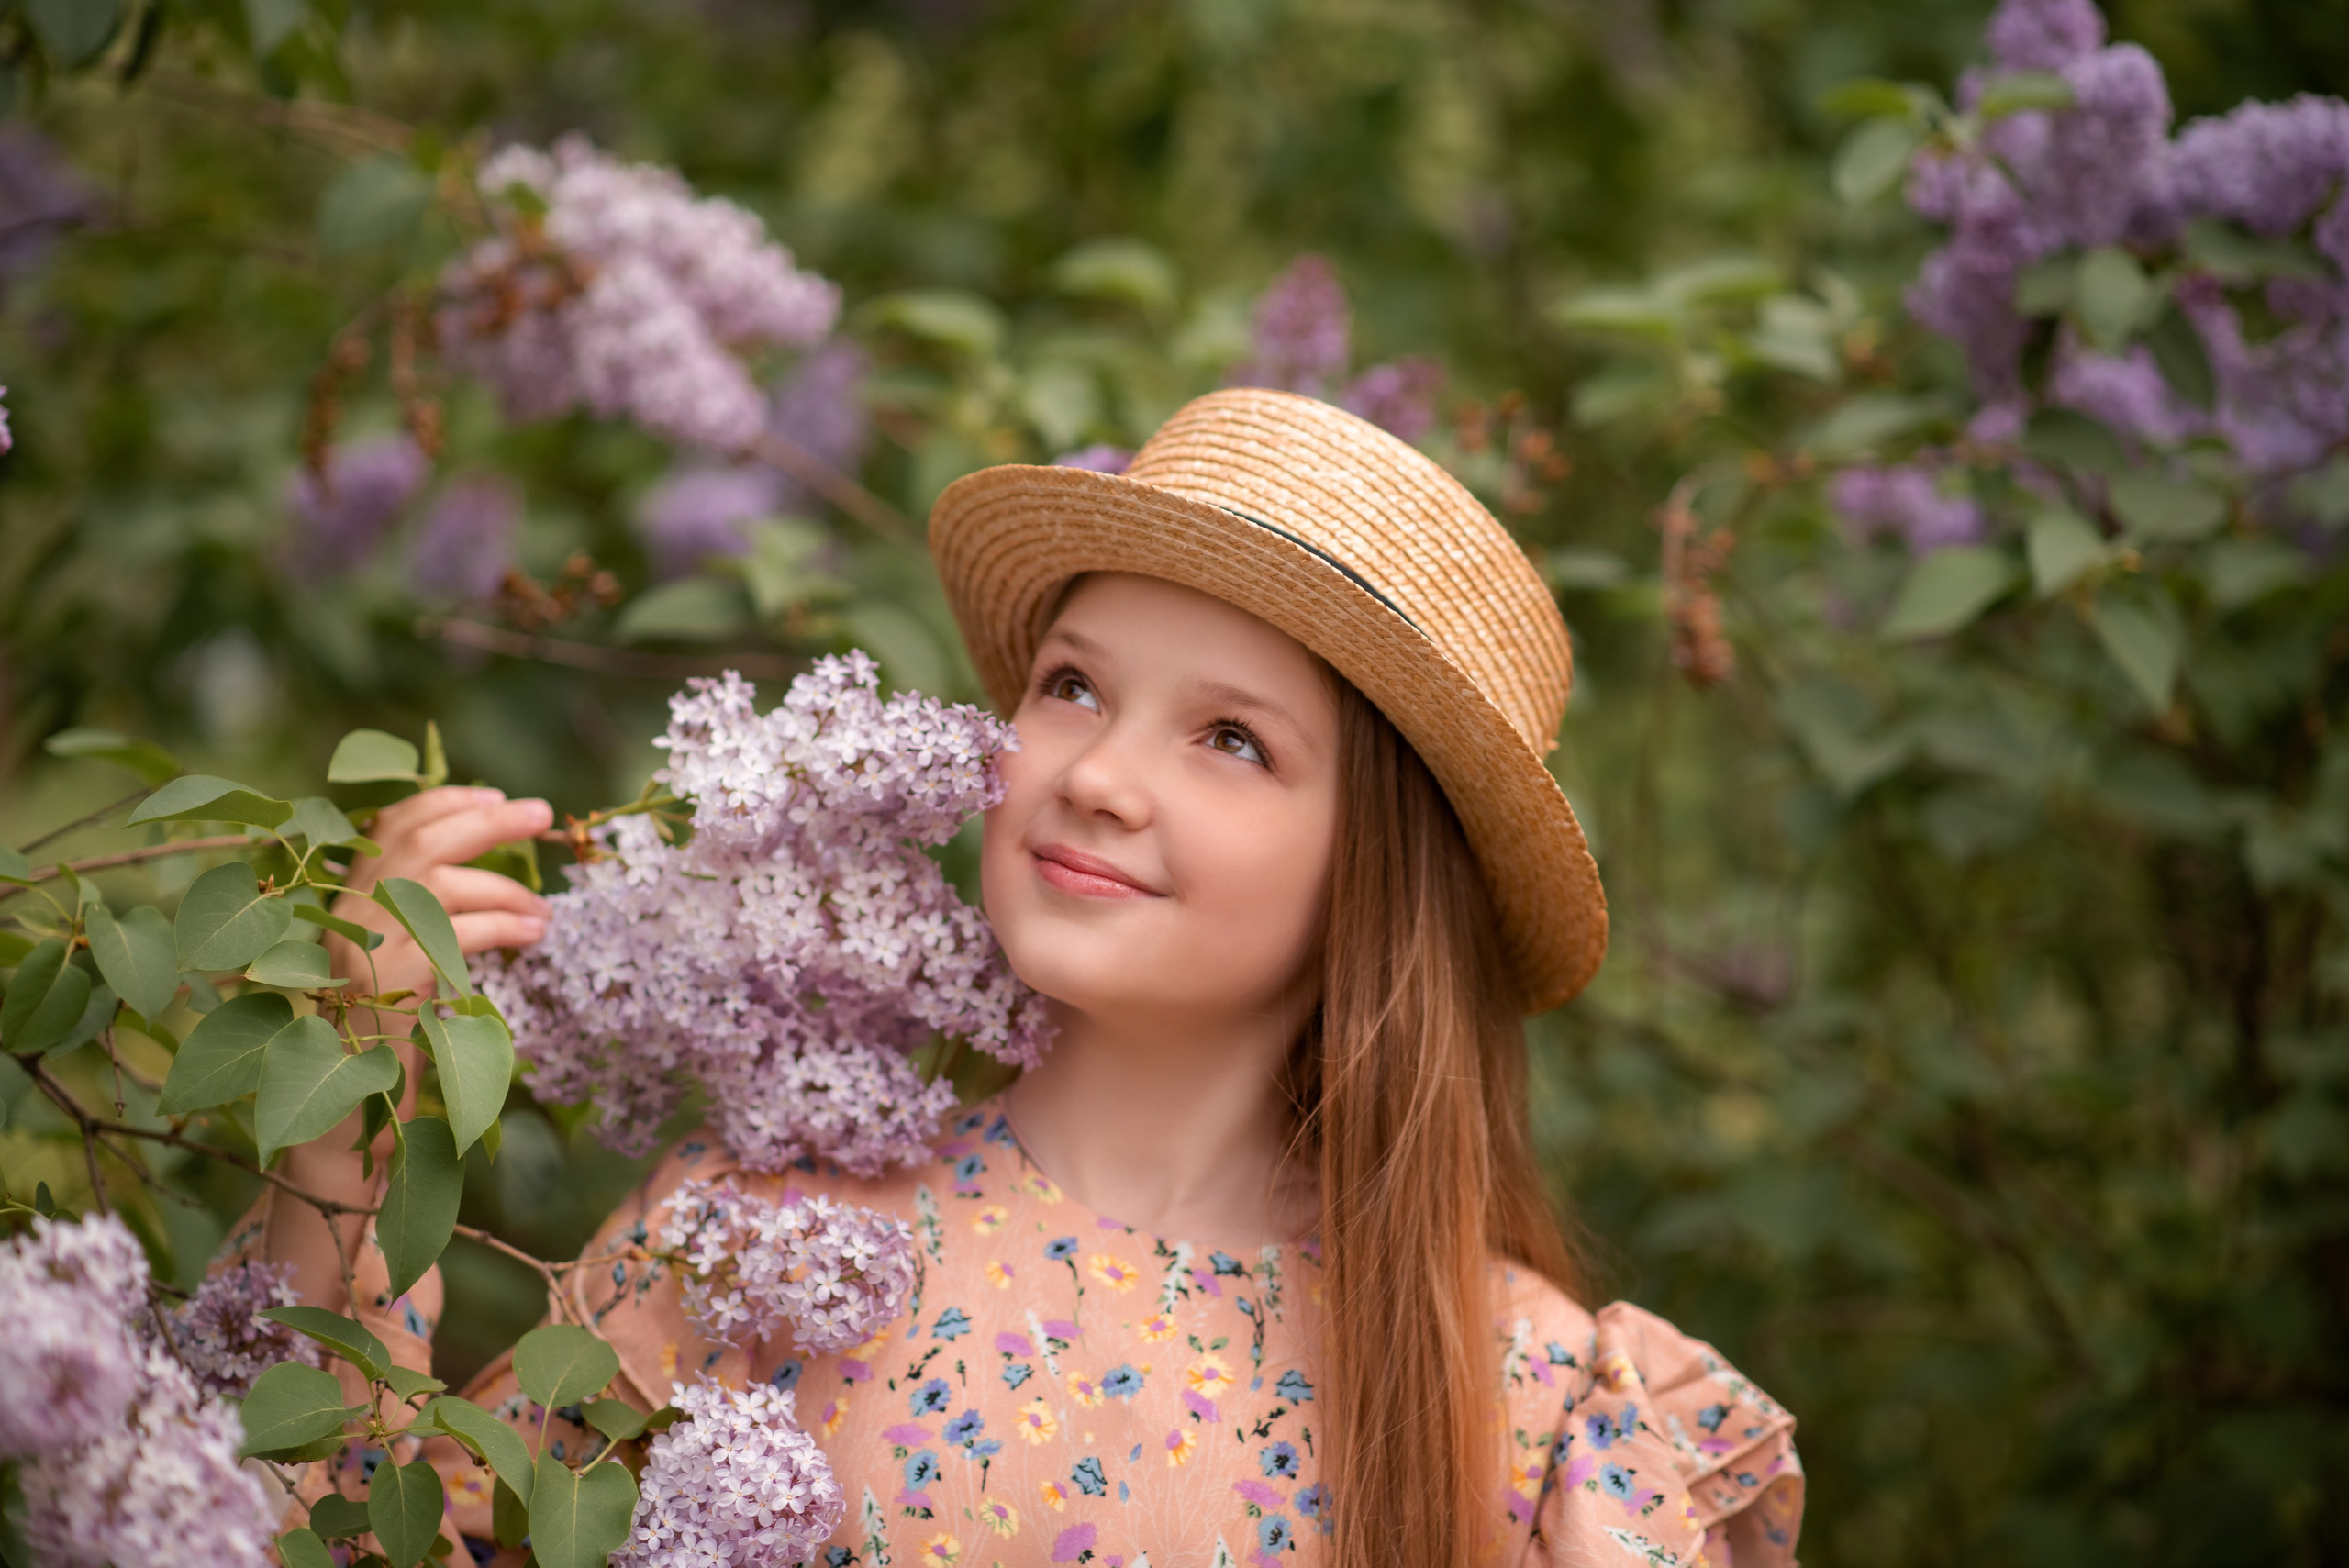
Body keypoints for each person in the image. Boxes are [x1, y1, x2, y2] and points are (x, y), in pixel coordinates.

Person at [255, 389, 1803, 1567]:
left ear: (1379, 879)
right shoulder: (767, 1240)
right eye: (1074, 686)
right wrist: (348, 1132)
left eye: (1233, 739)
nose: (1102, 775)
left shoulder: (1531, 1404)